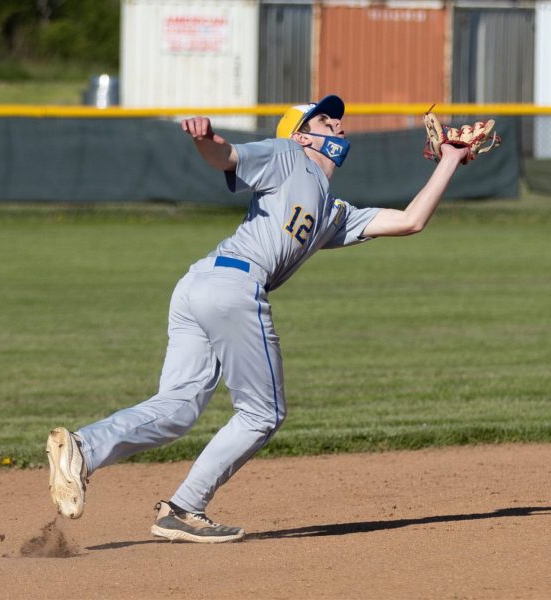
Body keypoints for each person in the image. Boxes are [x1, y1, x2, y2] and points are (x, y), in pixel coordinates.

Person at [46, 94, 475, 544]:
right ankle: (184, 508)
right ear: (303, 134)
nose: (338, 126)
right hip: (231, 287)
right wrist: (206, 139)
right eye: (326, 120)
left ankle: (83, 447)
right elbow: (228, 157)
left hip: (201, 284)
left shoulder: (332, 211)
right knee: (262, 413)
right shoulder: (288, 156)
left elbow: (409, 220)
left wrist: (448, 159)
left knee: (176, 409)